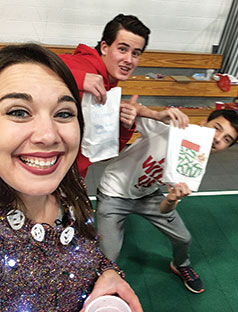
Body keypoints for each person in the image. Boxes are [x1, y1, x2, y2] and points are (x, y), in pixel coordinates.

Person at [0, 43, 143, 312]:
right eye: (18, 112)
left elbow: (87, 249)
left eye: (64, 113)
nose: (49, 135)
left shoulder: (69, 188)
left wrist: (107, 271)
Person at [95, 108, 238, 294]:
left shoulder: (195, 166)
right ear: (205, 123)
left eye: (227, 139)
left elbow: (165, 210)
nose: (218, 138)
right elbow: (129, 109)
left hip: (147, 195)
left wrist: (173, 199)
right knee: (108, 259)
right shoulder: (171, 130)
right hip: (114, 192)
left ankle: (181, 264)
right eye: (217, 128)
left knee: (183, 238)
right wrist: (157, 114)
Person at [60, 14, 151, 177]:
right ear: (104, 48)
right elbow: (22, 71)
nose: (129, 60)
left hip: (68, 177)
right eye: (122, 49)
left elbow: (102, 153)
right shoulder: (80, 65)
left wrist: (124, 126)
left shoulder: (109, 88)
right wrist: (77, 78)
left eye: (136, 53)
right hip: (36, 175)